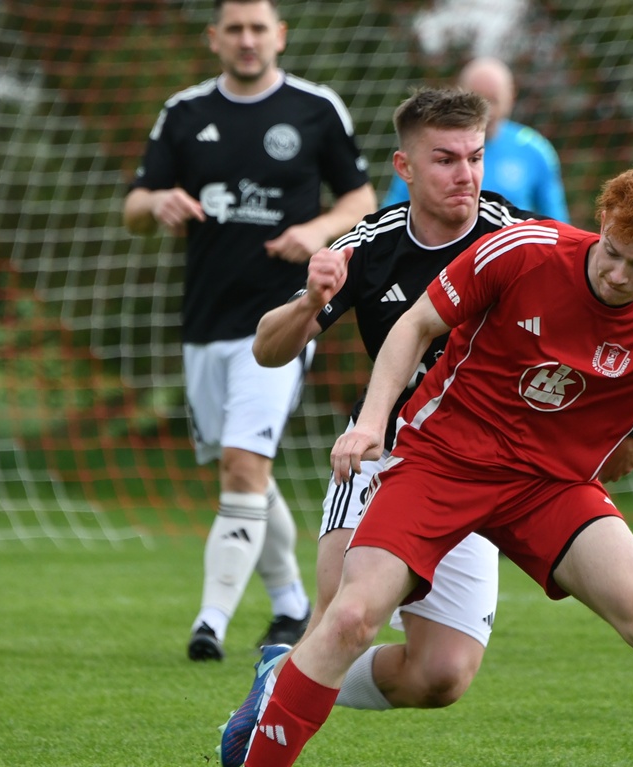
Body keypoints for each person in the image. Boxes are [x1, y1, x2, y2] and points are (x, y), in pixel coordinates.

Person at [241, 162, 633, 767]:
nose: (619, 275)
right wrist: (374, 423)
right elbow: (415, 324)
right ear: (600, 224)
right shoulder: (522, 251)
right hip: (443, 461)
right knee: (349, 618)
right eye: (612, 253)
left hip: (550, 488)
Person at [216, 86, 633, 767]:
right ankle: (276, 729)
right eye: (444, 160)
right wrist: (308, 301)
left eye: (475, 157)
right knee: (343, 621)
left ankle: (283, 672)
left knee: (441, 676)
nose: (465, 175)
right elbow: (267, 349)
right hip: (384, 455)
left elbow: (612, 298)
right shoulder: (371, 244)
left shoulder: (521, 235)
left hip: (480, 465)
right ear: (405, 167)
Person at [123, 0, 376, 662]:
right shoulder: (184, 113)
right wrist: (156, 202)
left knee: (242, 465)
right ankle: (291, 602)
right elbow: (132, 206)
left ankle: (210, 621)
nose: (246, 40)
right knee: (245, 472)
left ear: (280, 36)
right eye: (233, 28)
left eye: (258, 28)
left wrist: (318, 231)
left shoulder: (316, 109)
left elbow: (363, 199)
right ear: (214, 38)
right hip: (204, 322)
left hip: (283, 319)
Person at [380, 57, 571, 222]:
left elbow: (557, 223)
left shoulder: (535, 150)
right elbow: (392, 212)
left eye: (493, 100)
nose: (485, 113)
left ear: (511, 96)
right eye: (478, 101)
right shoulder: (428, 148)